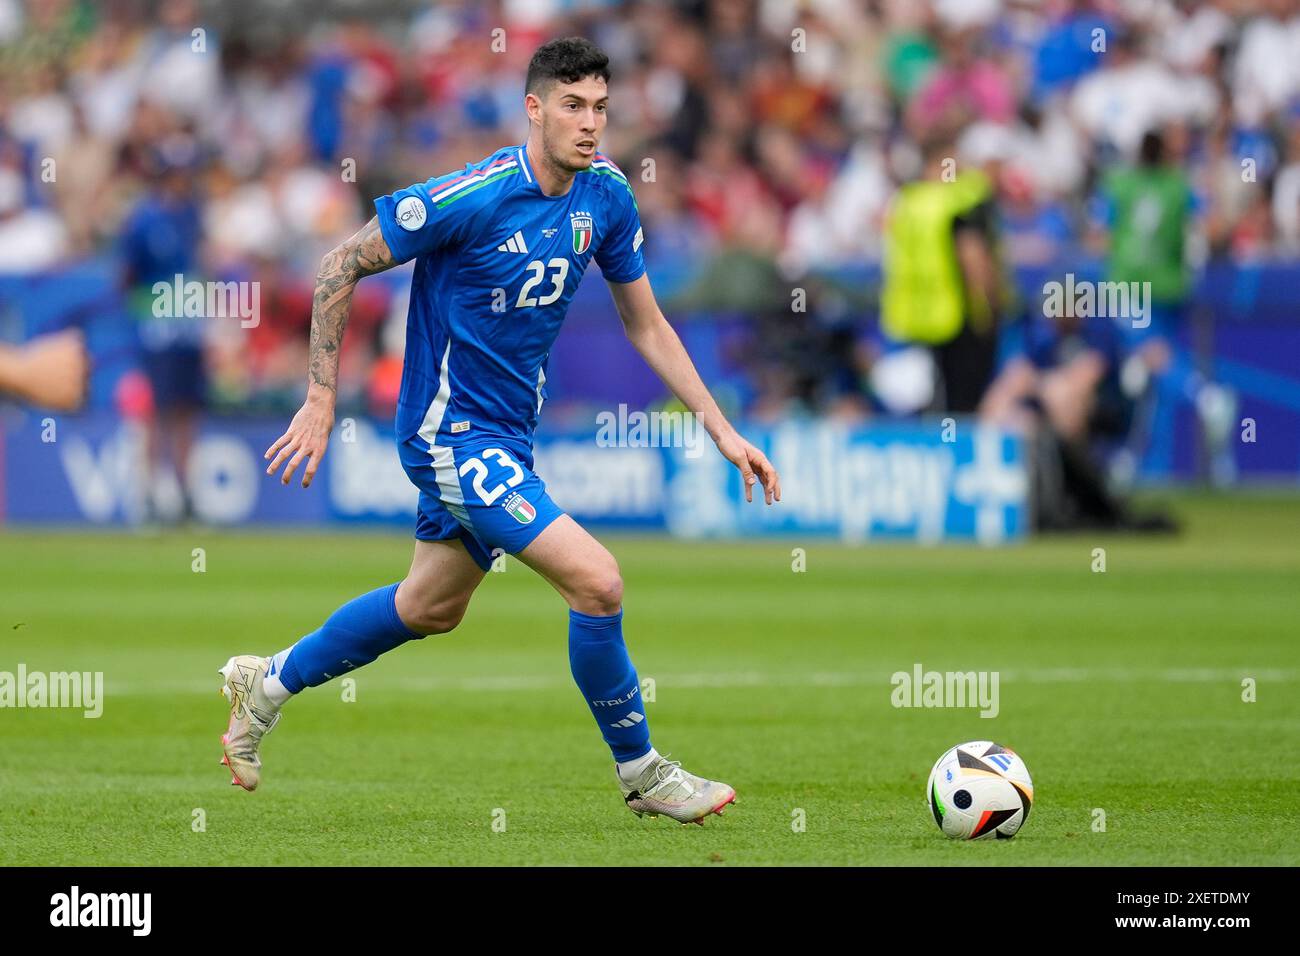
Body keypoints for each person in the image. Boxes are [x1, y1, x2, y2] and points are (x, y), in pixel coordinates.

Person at [218, 38, 781, 825]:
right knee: (598, 581)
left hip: (508, 438)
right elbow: (338, 263)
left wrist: (721, 429)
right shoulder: (473, 195)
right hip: (449, 436)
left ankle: (266, 682)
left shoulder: (607, 197)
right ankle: (644, 774)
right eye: (574, 107)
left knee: (429, 606)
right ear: (535, 108)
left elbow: (646, 324)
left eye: (602, 109)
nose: (591, 125)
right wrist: (320, 397)